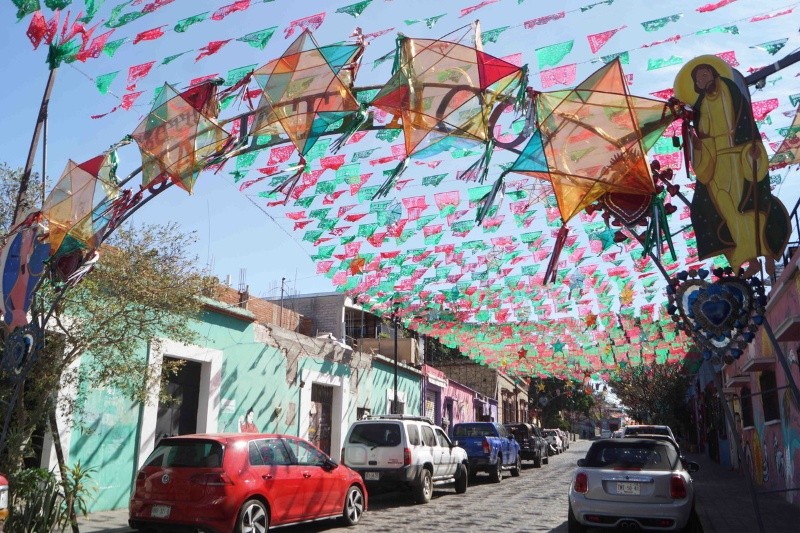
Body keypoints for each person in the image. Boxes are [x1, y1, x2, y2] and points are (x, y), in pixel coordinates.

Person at [677, 57, 790, 273]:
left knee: (750, 204)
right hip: (715, 164)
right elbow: (702, 139)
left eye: (705, 75)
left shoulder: (731, 92)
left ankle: (768, 251)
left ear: (714, 73)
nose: (702, 80)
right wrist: (694, 141)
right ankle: (749, 259)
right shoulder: (700, 107)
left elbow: (747, 121)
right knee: (725, 211)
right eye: (698, 79)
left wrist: (754, 146)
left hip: (740, 156)